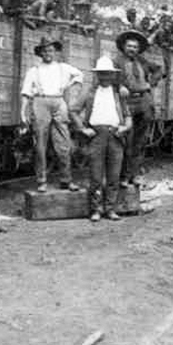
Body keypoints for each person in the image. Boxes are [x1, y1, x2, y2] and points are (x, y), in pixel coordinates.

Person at [71, 56, 132, 222]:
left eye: (108, 74)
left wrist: (124, 127)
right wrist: (83, 129)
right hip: (96, 136)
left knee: (114, 176)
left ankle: (110, 209)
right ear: (97, 75)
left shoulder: (119, 93)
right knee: (96, 176)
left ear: (113, 76)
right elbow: (74, 110)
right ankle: (95, 210)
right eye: (102, 74)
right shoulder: (89, 92)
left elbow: (127, 117)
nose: (105, 77)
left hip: (115, 136)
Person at [20, 37, 83, 193]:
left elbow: (79, 76)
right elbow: (26, 93)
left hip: (59, 102)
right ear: (40, 53)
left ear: (55, 52)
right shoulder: (34, 71)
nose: (48, 53)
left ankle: (66, 180)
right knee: (40, 144)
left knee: (64, 142)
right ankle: (41, 181)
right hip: (40, 103)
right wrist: (23, 112)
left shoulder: (64, 67)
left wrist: (68, 86)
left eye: (50, 50)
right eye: (45, 51)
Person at [113, 30, 164, 187]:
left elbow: (160, 70)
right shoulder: (117, 62)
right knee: (126, 141)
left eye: (135, 47)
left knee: (140, 142)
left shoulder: (142, 61)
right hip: (127, 103)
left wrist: (151, 83)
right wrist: (119, 85)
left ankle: (134, 175)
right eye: (129, 46)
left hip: (144, 103)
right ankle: (123, 176)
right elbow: (109, 77)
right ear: (123, 46)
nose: (132, 49)